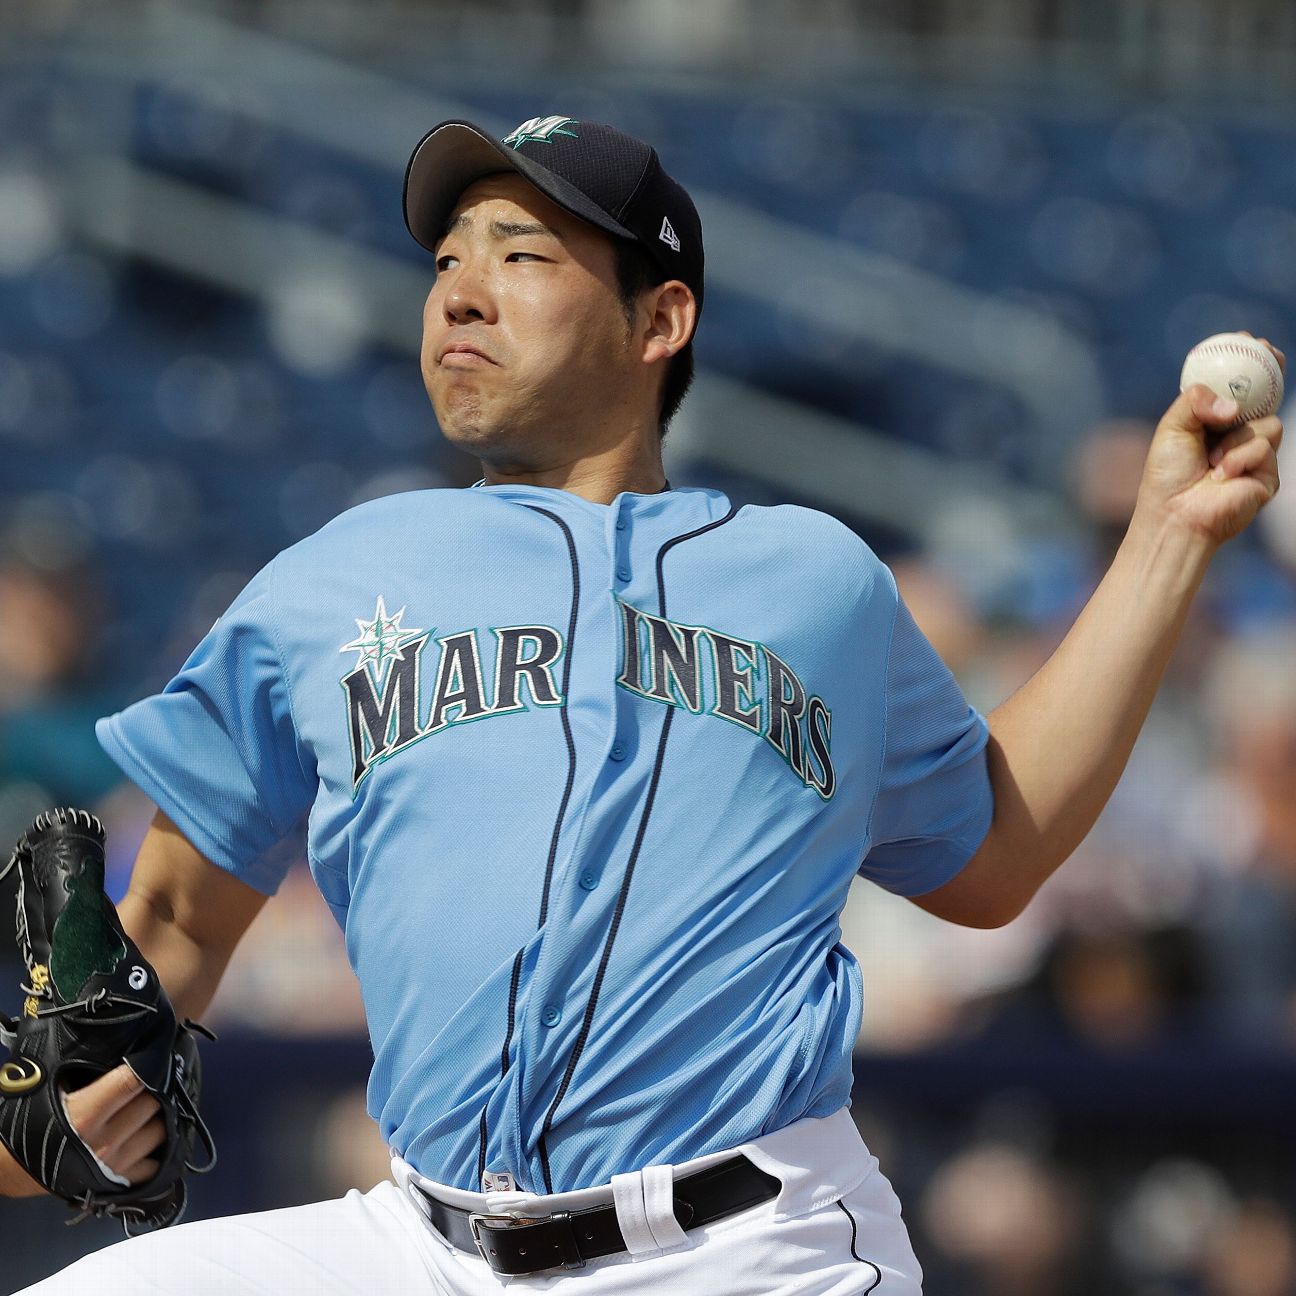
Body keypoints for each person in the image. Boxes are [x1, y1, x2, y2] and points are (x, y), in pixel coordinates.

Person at [0, 115, 1282, 1295]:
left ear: (658, 317)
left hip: (744, 1244)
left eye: (521, 252)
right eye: (448, 258)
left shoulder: (816, 583)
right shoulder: (324, 584)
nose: (460, 289)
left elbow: (993, 855)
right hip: (422, 1244)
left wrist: (1166, 536)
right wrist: (37, 1118)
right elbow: (166, 919)